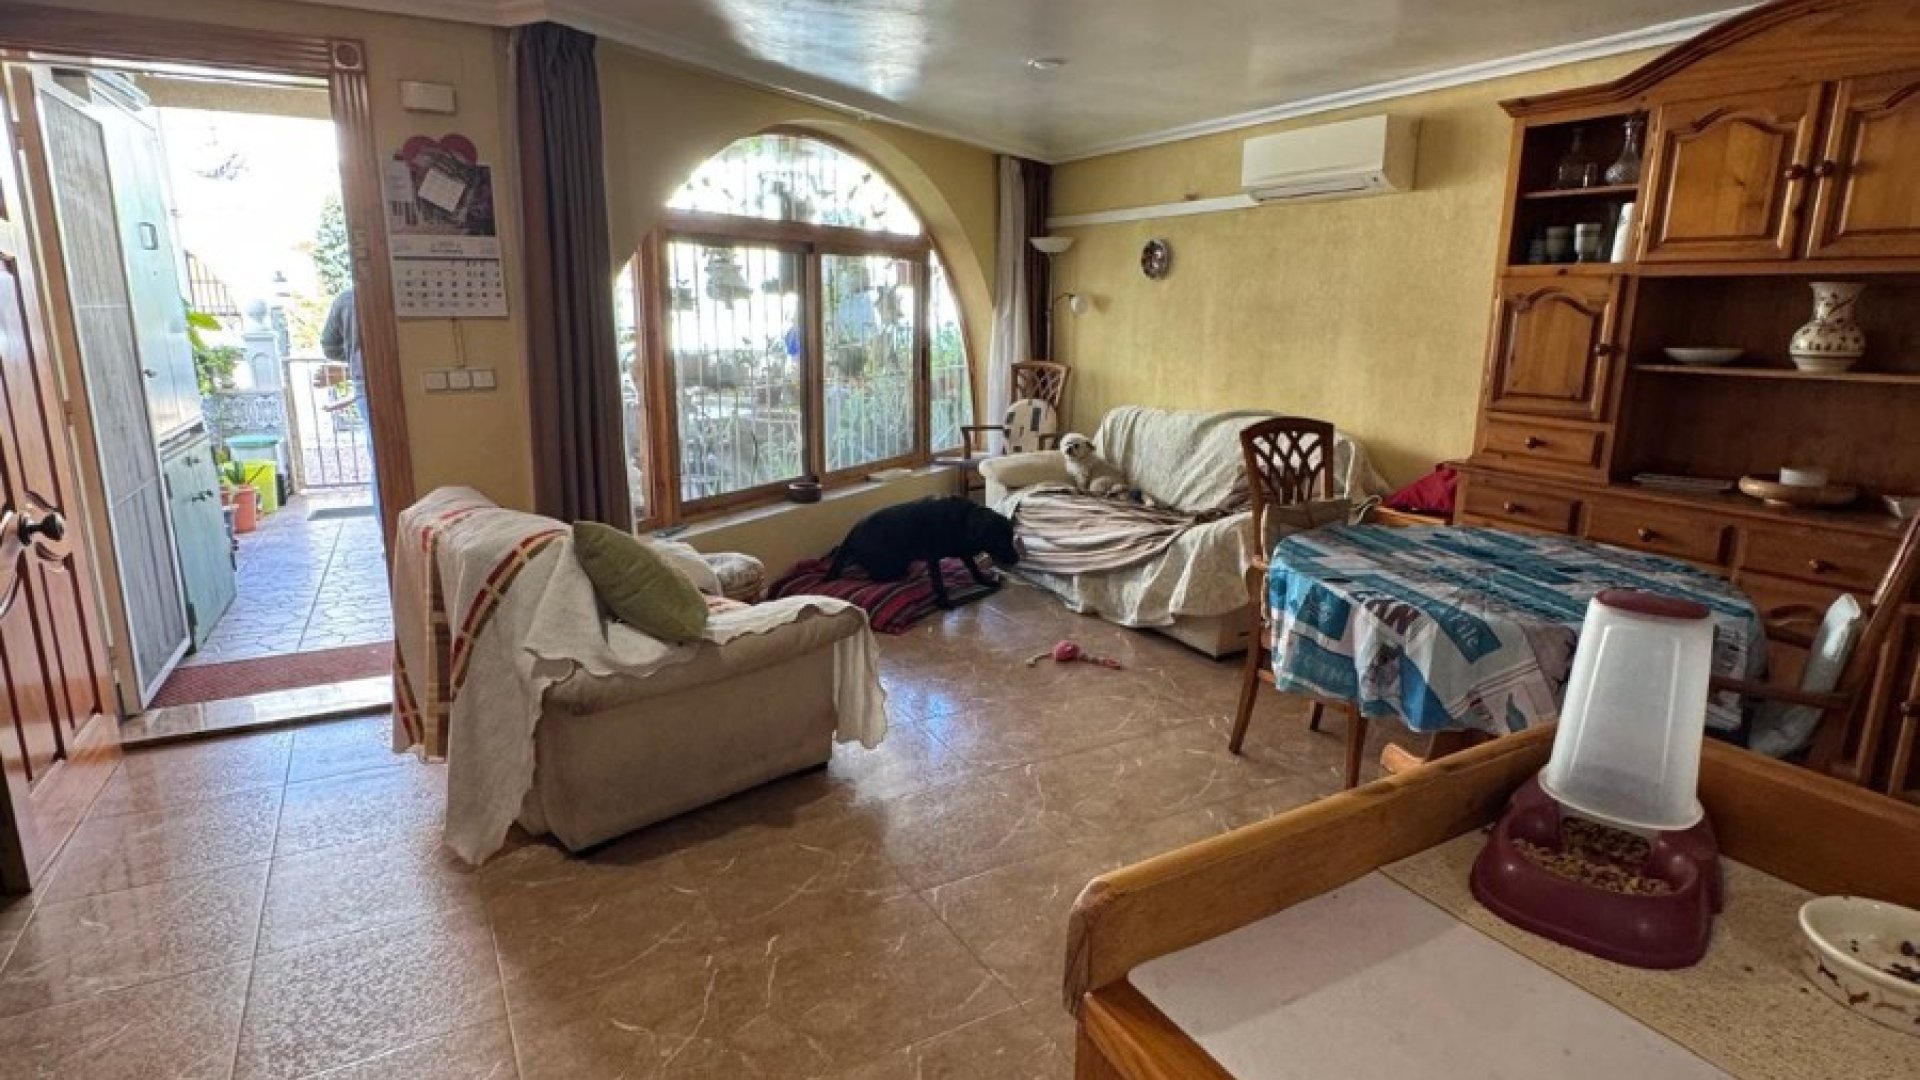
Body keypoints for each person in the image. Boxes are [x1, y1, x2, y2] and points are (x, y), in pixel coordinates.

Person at [320, 288, 379, 518]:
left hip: (363, 382)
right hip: (391, 379)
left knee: (380, 462)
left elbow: (329, 346)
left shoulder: (346, 299)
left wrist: (355, 354)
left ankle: (386, 530)